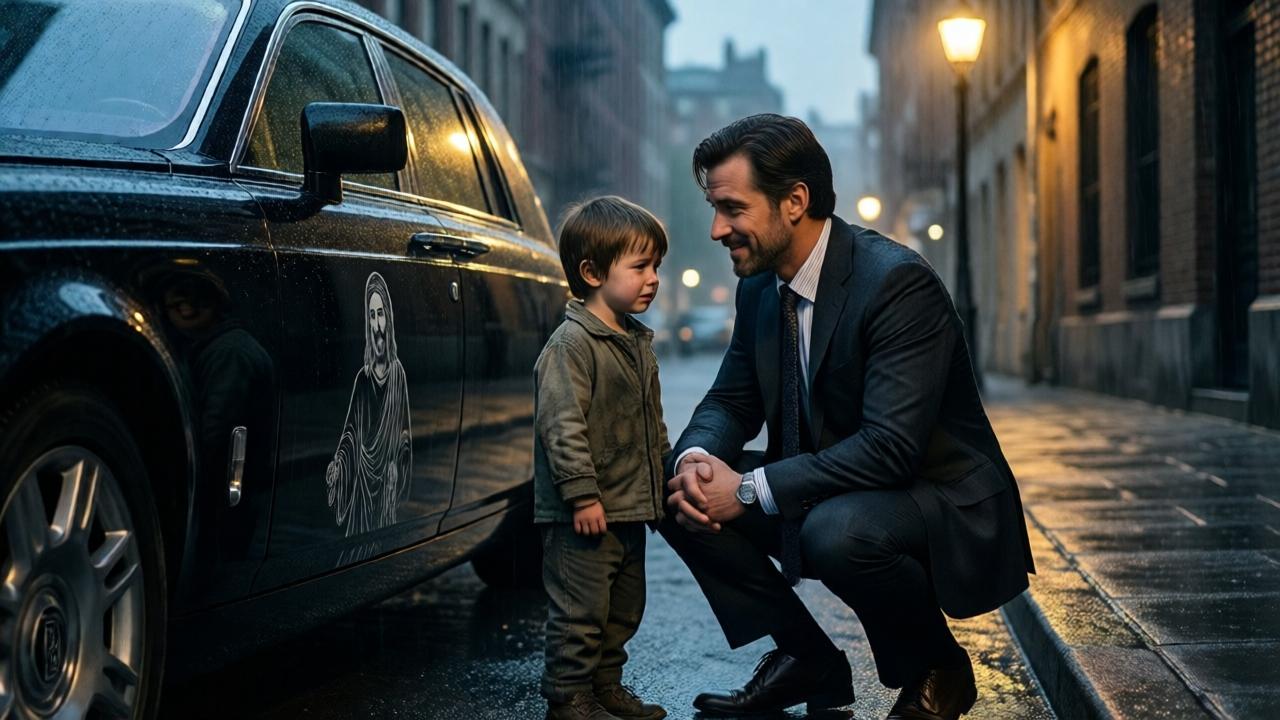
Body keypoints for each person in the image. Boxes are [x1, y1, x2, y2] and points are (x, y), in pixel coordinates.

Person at [662, 114, 1035, 720]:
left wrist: (751, 490)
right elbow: (731, 400)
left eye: (732, 208)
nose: (715, 229)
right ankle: (807, 658)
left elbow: (890, 447)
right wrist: (697, 462)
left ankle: (937, 668)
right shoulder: (760, 287)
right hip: (836, 482)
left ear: (794, 201)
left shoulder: (894, 283)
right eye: (714, 208)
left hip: (935, 493)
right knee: (672, 488)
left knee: (835, 533)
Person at [534, 196, 672, 720]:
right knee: (580, 610)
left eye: (656, 266)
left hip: (627, 510)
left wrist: (661, 485)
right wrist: (581, 493)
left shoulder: (636, 343)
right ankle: (569, 696)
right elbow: (560, 424)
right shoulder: (571, 345)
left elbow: (648, 426)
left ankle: (605, 685)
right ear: (592, 272)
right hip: (583, 514)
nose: (653, 278)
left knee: (622, 608)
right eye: (640, 267)